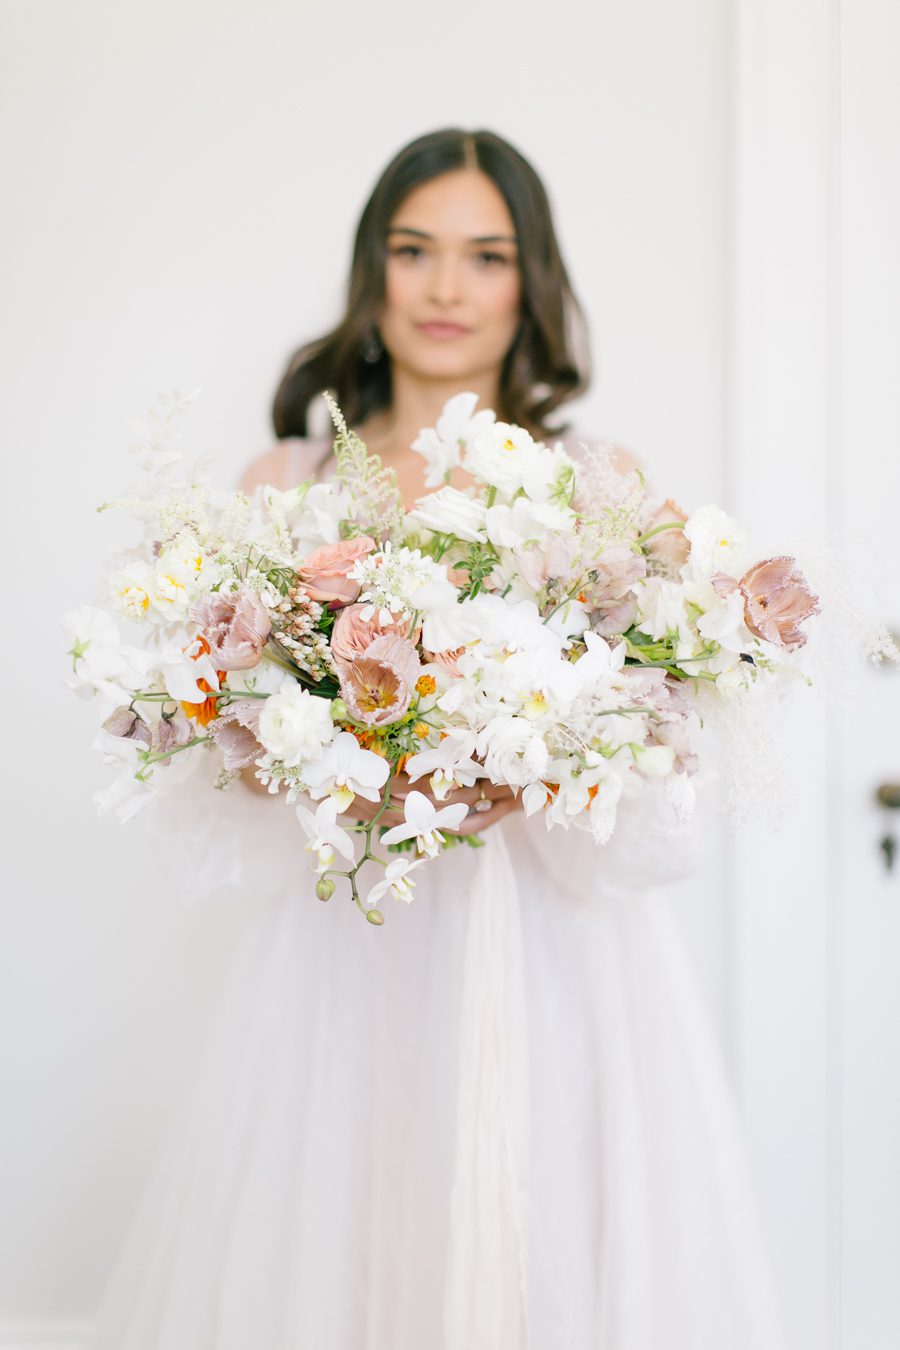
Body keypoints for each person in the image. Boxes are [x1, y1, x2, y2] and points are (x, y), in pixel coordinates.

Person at [89, 128, 790, 1349]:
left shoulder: (597, 478)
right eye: (415, 252)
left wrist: (541, 774)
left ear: (532, 282)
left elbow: (660, 726)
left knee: (549, 1217)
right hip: (347, 950)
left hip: (555, 945)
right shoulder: (289, 479)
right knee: (336, 1217)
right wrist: (328, 759)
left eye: (485, 255)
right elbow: (221, 736)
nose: (448, 288)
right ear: (375, 272)